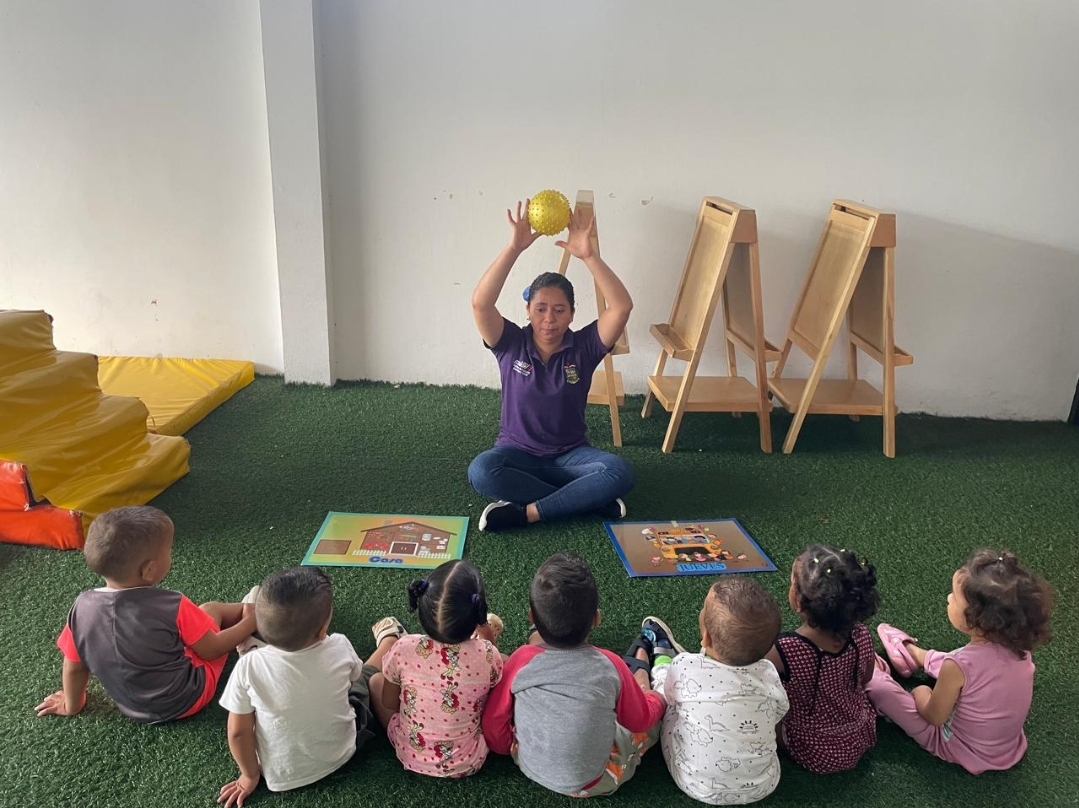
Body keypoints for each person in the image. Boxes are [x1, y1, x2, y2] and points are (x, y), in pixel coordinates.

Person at [468, 200, 635, 532]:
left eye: (559, 310)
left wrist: (589, 256)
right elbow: (480, 304)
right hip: (516, 456)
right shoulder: (510, 342)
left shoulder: (585, 347)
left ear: (571, 314)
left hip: (570, 457)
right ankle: (586, 500)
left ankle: (527, 512)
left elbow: (621, 307)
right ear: (528, 310)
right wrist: (514, 248)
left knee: (620, 472)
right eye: (541, 308)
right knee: (482, 471)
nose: (549, 319)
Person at [35, 505, 256, 723]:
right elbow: (212, 650)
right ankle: (259, 614)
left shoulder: (81, 607)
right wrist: (249, 622)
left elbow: (74, 665)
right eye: (168, 550)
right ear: (148, 570)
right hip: (187, 698)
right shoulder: (172, 604)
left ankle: (251, 614)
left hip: (132, 708)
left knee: (193, 625)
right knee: (210, 609)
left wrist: (71, 705)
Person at [217, 566, 404, 807]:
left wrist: (249, 776)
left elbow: (237, 732)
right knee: (365, 676)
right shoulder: (338, 645)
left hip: (279, 773)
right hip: (345, 750)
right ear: (323, 628)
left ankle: (252, 641)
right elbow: (352, 680)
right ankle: (390, 637)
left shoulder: (249, 666)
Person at [481, 552, 666, 797]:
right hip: (597, 780)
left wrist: (509, 747)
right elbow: (639, 721)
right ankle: (647, 676)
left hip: (526, 764)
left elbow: (493, 722)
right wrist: (658, 699)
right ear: (596, 618)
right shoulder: (610, 664)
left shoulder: (521, 659)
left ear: (531, 616)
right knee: (647, 722)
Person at [867, 549, 1053, 774]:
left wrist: (921, 692)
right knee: (965, 662)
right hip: (1006, 748)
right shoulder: (1020, 648)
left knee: (882, 689)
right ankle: (915, 655)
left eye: (954, 598)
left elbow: (934, 717)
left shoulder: (956, 667)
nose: (949, 598)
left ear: (976, 619)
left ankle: (876, 674)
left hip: (958, 747)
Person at [644, 579, 789, 805]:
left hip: (695, 784)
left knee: (669, 700)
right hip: (762, 785)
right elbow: (780, 710)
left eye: (703, 609)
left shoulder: (685, 666)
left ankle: (661, 660)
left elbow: (670, 698)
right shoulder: (768, 672)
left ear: (706, 638)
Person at [372, 559, 504, 778]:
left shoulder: (404, 647)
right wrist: (486, 634)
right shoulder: (487, 653)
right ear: (478, 613)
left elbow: (389, 702)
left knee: (375, 681)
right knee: (501, 671)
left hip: (409, 755)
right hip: (470, 760)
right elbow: (493, 679)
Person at [763, 545, 880, 774]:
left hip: (815, 749)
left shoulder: (785, 649)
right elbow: (866, 678)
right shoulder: (862, 635)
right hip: (860, 734)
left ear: (798, 601)